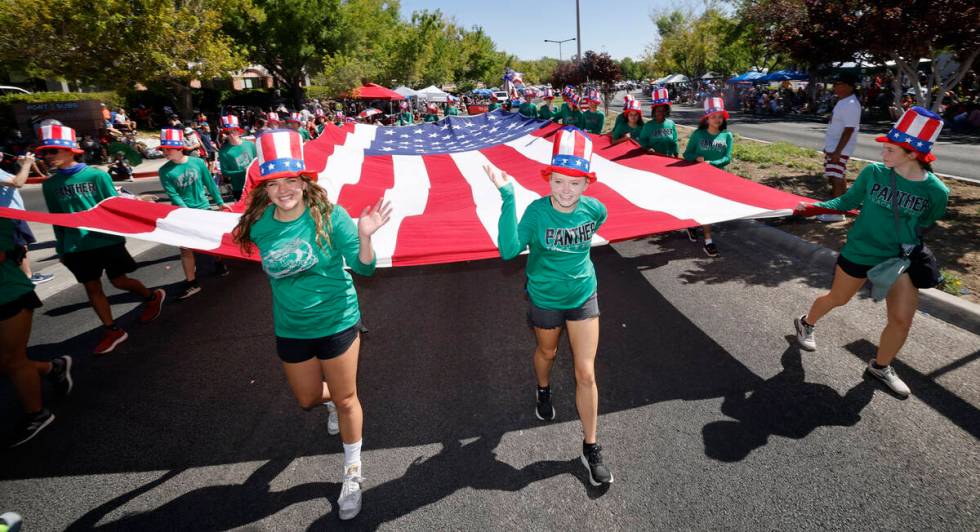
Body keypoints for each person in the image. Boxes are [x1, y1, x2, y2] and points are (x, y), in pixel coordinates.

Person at [232, 129, 391, 520]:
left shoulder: (330, 216)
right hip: (290, 328)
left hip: (337, 321)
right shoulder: (259, 224)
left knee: (347, 397)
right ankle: (333, 403)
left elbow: (365, 267)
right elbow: (233, 240)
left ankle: (352, 472)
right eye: (274, 182)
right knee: (307, 399)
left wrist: (365, 236)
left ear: (304, 182)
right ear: (264, 188)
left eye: (291, 180)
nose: (284, 189)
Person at [483, 126, 614, 487]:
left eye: (574, 183)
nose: (565, 190)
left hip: (584, 295)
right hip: (544, 298)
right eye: (558, 181)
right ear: (549, 179)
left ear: (587, 184)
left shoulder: (595, 209)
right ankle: (542, 388)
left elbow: (596, 226)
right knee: (548, 351)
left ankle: (591, 447)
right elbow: (508, 250)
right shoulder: (537, 213)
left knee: (586, 372)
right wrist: (508, 196)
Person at [792, 107, 948, 398]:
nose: (883, 155)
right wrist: (813, 207)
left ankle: (881, 365)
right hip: (860, 251)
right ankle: (806, 322)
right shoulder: (874, 173)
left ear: (912, 154)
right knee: (838, 298)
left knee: (901, 319)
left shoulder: (937, 191)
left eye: (890, 150)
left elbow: (926, 222)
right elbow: (848, 200)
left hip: (898, 260)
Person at [39, 124, 166, 354]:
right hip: (76, 246)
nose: (47, 156)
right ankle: (112, 330)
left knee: (119, 281)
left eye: (52, 151)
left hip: (106, 240)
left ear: (70, 150)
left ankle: (152, 296)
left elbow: (113, 205)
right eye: (44, 152)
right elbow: (57, 218)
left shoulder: (96, 175)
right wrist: (61, 248)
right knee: (92, 287)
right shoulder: (50, 185)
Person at [0, 215, 74, 448]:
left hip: (9, 296)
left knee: (12, 361)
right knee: (6, 362)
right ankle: (53, 368)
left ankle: (37, 413)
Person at [158, 128, 231, 300]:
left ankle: (219, 262)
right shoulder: (164, 171)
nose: (165, 152)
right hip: (183, 213)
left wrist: (220, 202)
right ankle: (191, 282)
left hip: (204, 208)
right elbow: (173, 194)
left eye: (168, 148)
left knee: (212, 239)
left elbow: (209, 183)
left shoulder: (197, 163)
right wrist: (187, 213)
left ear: (179, 147)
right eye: (163, 149)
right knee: (185, 247)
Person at [682, 97, 733, 258]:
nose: (717, 120)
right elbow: (687, 154)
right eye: (713, 116)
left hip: (718, 178)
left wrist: (712, 163)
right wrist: (696, 158)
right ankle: (708, 241)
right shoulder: (698, 134)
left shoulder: (727, 136)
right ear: (706, 119)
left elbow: (727, 158)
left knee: (710, 207)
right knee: (706, 207)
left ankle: (692, 224)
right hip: (698, 178)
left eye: (720, 117)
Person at [0, 153, 54, 285]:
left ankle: (17, 276)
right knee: (20, 246)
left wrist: (21, 166)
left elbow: (19, 180)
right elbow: (17, 183)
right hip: (8, 216)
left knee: (17, 246)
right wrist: (27, 164)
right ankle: (27, 277)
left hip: (12, 215)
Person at [819, 72, 862, 222]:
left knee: (836, 177)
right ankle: (843, 207)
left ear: (850, 87)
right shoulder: (843, 101)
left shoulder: (850, 104)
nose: (836, 87)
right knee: (837, 175)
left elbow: (849, 129)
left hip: (839, 148)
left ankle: (836, 213)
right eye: (835, 84)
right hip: (834, 147)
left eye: (839, 84)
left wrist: (837, 151)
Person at [218, 115, 258, 201]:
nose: (232, 134)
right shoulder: (223, 151)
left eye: (234, 131)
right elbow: (224, 172)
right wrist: (242, 172)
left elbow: (257, 162)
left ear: (238, 131)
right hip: (239, 187)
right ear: (225, 135)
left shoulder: (250, 144)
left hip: (255, 184)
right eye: (228, 132)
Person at [638, 88, 678, 156]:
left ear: (667, 111)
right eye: (658, 110)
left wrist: (676, 154)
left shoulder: (671, 124)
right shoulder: (648, 126)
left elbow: (674, 141)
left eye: (664, 110)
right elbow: (642, 140)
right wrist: (648, 148)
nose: (661, 112)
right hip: (653, 158)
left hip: (668, 158)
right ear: (654, 111)